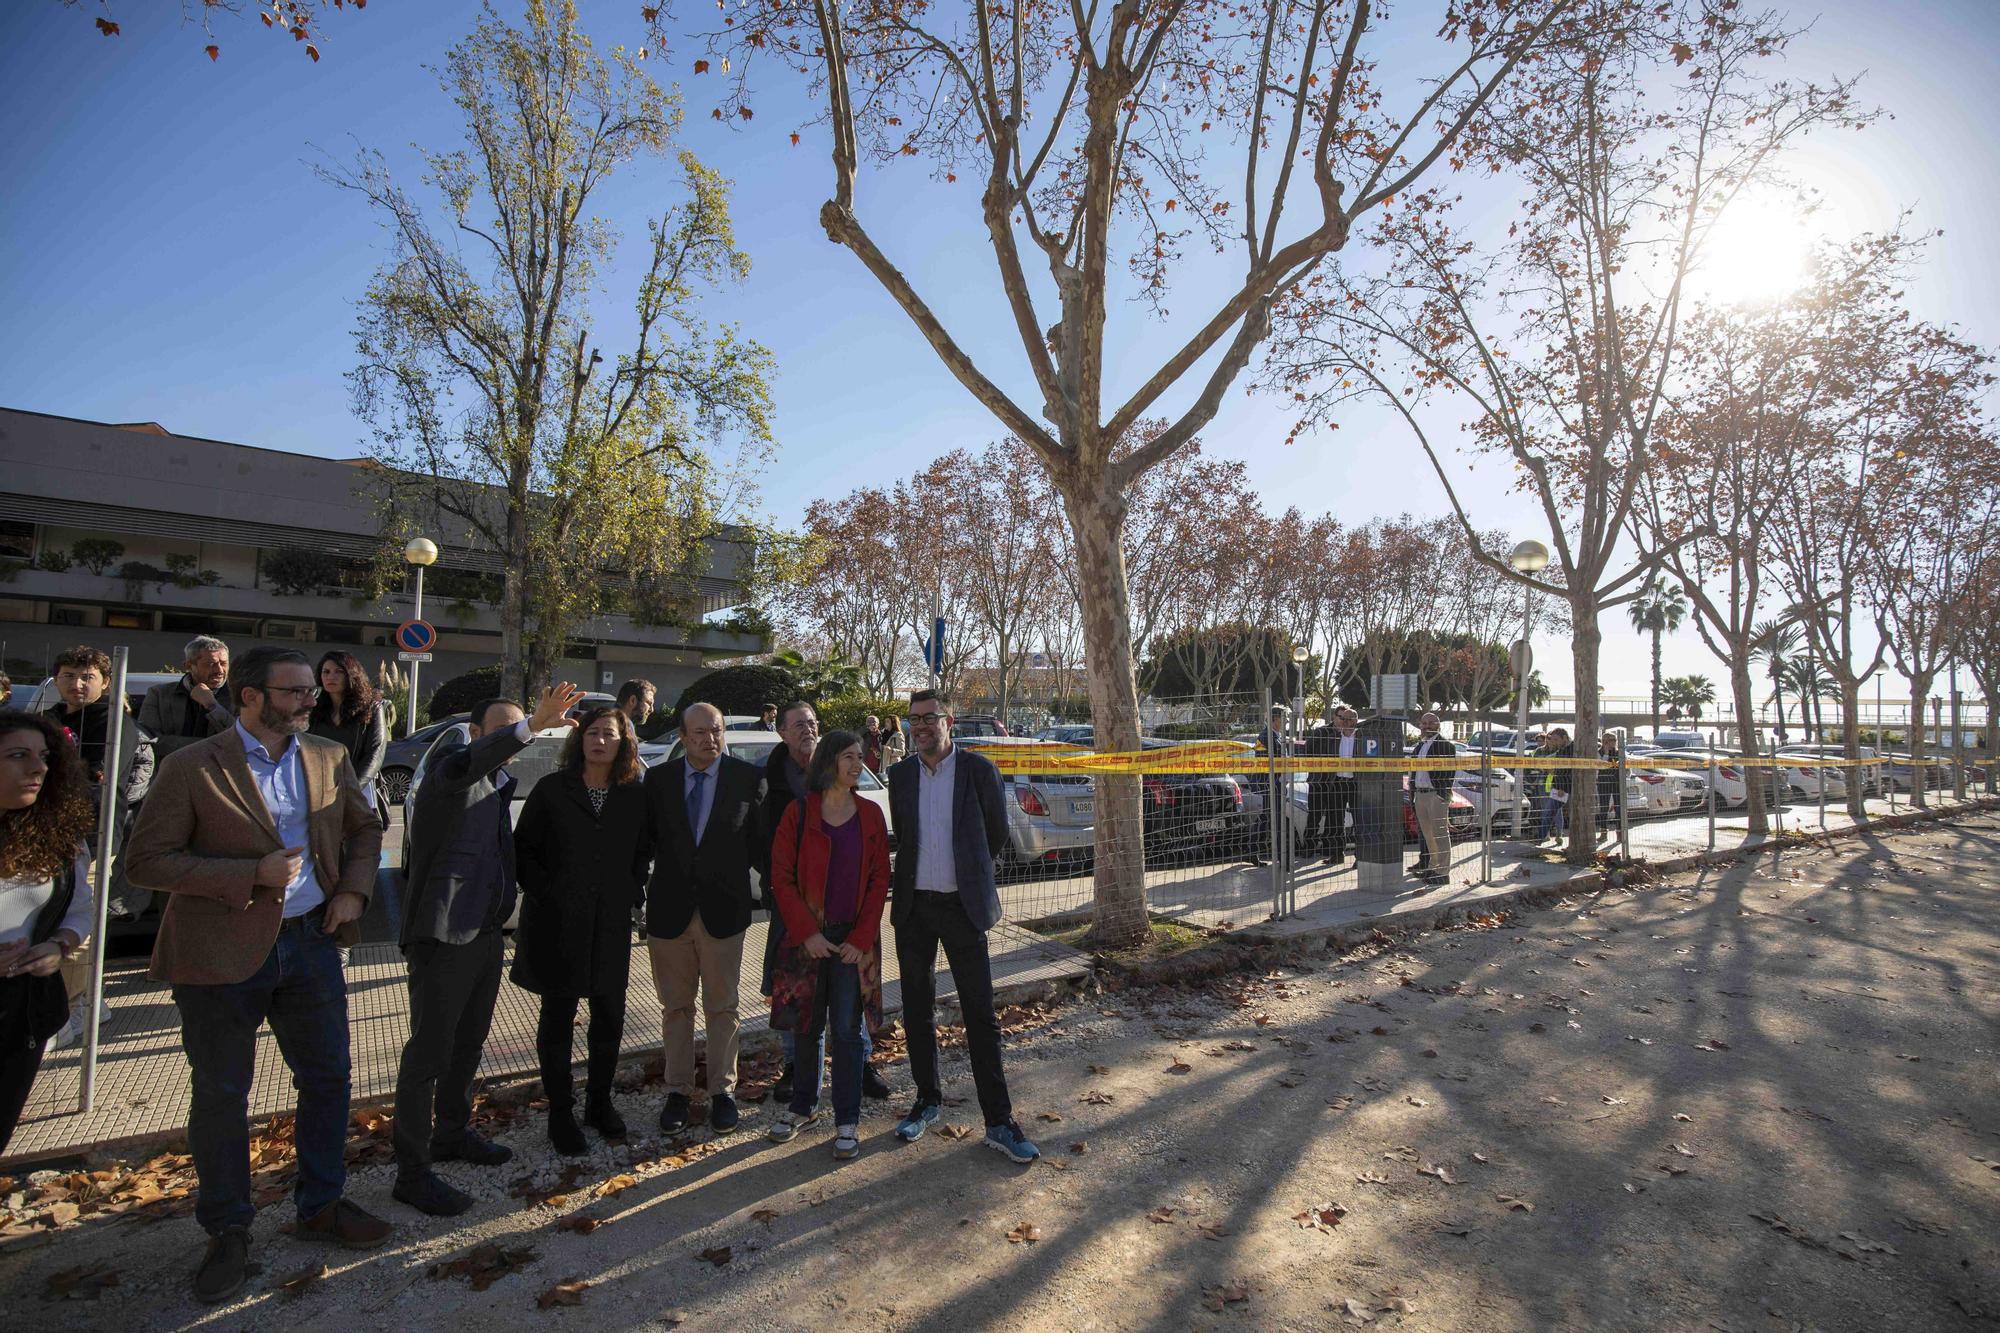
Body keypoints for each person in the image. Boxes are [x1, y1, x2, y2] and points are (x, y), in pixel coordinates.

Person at [123, 646, 387, 1304]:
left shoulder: (326, 755)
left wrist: (353, 892)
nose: (310, 699)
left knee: (328, 1077)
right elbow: (146, 860)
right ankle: (228, 1228)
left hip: (312, 944)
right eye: (295, 690)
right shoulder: (191, 766)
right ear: (248, 696)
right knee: (222, 1093)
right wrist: (249, 876)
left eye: (310, 690)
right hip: (218, 951)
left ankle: (321, 1203)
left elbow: (365, 827)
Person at [392, 682, 583, 1216]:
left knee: (468, 1045)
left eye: (513, 729)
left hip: (482, 936)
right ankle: (411, 1170)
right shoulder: (450, 773)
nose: (510, 740)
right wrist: (529, 726)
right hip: (443, 937)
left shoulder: (498, 786)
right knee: (428, 1053)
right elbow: (467, 764)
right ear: (475, 735)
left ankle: (451, 1133)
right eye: (498, 730)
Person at [887, 689, 1039, 1163]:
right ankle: (927, 1100)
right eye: (914, 720)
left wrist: (966, 878)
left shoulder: (978, 771)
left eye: (930, 718)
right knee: (917, 1009)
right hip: (914, 909)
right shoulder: (901, 775)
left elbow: (993, 836)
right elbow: (907, 838)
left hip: (962, 909)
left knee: (980, 1014)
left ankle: (999, 1121)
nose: (921, 727)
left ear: (949, 721)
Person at [512, 705, 651, 1155]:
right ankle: (560, 1111)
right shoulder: (554, 790)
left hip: (609, 923)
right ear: (580, 740)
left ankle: (599, 1102)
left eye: (609, 734)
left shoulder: (633, 794)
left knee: (609, 1017)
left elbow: (642, 852)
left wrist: (630, 890)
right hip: (558, 923)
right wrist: (546, 891)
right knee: (557, 1019)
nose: (600, 741)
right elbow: (524, 849)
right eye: (592, 733)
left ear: (623, 742)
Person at [765, 730, 891, 1159]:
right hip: (809, 939)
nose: (858, 765)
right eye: (849, 757)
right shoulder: (798, 813)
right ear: (828, 762)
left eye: (860, 757)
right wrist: (807, 933)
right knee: (806, 1024)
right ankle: (803, 1107)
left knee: (847, 1030)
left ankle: (848, 1119)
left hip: (854, 941)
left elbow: (879, 880)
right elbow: (780, 877)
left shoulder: (872, 815)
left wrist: (859, 939)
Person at [644, 701, 766, 1136]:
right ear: (682, 736)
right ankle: (678, 1090)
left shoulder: (747, 780)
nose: (709, 739)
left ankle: (722, 1093)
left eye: (715, 730)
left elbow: (760, 847)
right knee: (676, 1008)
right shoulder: (657, 781)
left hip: (724, 914)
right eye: (698, 732)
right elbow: (643, 844)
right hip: (668, 914)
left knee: (723, 1007)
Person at [38, 644, 154, 1044]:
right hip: (45, 835)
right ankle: (87, 998)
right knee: (48, 919)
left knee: (79, 920)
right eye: (69, 675)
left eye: (88, 676)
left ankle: (76, 1007)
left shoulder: (114, 722)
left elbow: (95, 779)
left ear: (106, 682)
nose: (77, 683)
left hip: (92, 836)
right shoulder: (48, 719)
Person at [0, 711, 96, 1156]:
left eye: (42, 757)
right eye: (18, 756)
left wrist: (59, 946)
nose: (37, 767)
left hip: (22, 1013)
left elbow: (80, 910)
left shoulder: (62, 836)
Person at [308, 651, 387, 825]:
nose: (331, 677)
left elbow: (375, 753)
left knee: (357, 849)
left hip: (355, 791)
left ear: (351, 675)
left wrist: (351, 792)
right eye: (326, 672)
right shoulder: (313, 708)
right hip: (317, 790)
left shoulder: (372, 708)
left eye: (339, 671)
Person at [138, 635, 234, 758]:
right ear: (188, 666)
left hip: (217, 774)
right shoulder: (159, 694)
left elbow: (241, 739)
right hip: (170, 773)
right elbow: (148, 741)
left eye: (223, 663)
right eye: (211, 664)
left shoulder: (239, 696)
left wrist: (212, 705)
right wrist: (213, 746)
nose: (219, 670)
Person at [1309, 707, 1362, 862]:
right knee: (1335, 821)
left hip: (1355, 783)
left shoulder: (1362, 737)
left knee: (1358, 820)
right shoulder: (1332, 738)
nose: (1346, 722)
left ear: (1356, 721)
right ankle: (1337, 854)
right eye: (1343, 719)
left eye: (1350, 719)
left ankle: (1360, 857)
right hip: (1337, 782)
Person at [1409, 712, 1456, 885]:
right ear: (1420, 725)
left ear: (1438, 725)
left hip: (1435, 795)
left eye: (1431, 723)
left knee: (1440, 834)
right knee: (1428, 835)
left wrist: (1441, 794)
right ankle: (1432, 868)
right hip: (1420, 795)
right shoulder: (1419, 746)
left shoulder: (1445, 745)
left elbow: (1449, 772)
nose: (1427, 726)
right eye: (1424, 723)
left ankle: (1443, 873)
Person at [1244, 703, 1292, 866]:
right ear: (1274, 719)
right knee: (1275, 819)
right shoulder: (1266, 736)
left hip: (1276, 782)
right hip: (1271, 783)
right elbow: (1265, 761)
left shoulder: (1275, 735)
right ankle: (1279, 856)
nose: (1285, 723)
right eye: (1282, 719)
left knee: (1267, 818)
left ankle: (1252, 850)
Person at [1537, 727, 1575, 844]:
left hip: (1565, 788)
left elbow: (1568, 771)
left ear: (1564, 738)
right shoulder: (1561, 750)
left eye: (1556, 739)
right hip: (1558, 786)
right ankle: (1541, 837)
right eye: (1552, 740)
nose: (1554, 742)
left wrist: (1562, 788)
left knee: (1551, 811)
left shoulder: (1573, 749)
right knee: (1550, 811)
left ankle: (1543, 837)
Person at [1596, 731, 1625, 842]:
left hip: (1617, 782)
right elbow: (1602, 766)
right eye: (1610, 740)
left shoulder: (1619, 752)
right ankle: (1603, 833)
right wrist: (1607, 753)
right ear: (1604, 741)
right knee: (1603, 808)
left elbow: (1626, 767)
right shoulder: (1599, 752)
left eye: (1614, 740)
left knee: (1619, 808)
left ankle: (1620, 834)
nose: (1613, 743)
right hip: (1604, 782)